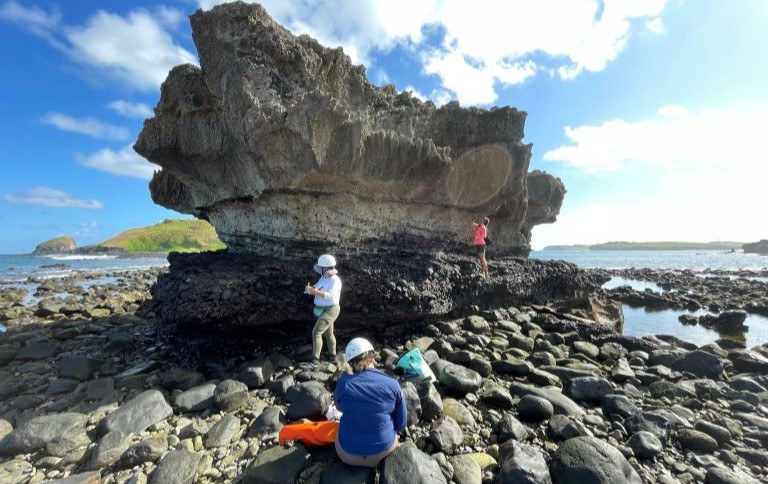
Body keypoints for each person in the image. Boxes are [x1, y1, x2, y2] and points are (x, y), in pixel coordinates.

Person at [334, 338, 407, 468]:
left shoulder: (343, 383)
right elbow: (401, 424)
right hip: (383, 453)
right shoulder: (393, 384)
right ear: (372, 356)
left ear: (349, 362)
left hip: (347, 455)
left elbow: (339, 408)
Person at [304, 254, 342, 364]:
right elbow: (316, 287)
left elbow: (330, 295)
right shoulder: (324, 277)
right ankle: (332, 356)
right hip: (322, 310)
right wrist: (310, 289)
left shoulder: (335, 280)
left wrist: (314, 292)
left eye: (320, 267)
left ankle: (315, 359)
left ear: (324, 268)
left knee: (316, 332)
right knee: (328, 334)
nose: (319, 269)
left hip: (330, 310)